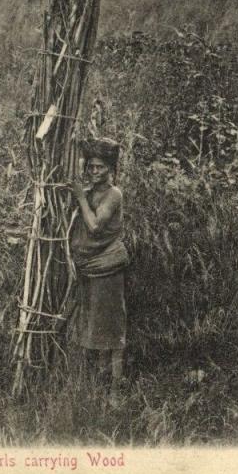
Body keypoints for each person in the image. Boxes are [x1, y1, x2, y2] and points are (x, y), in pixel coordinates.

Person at [68, 138, 129, 407]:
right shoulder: (91, 192)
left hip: (107, 268)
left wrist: (79, 196)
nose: (94, 172)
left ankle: (115, 391)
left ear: (111, 169)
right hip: (88, 269)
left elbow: (94, 226)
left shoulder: (114, 195)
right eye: (91, 167)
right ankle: (99, 386)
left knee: (113, 330)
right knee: (95, 326)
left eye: (100, 167)